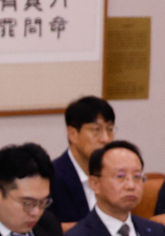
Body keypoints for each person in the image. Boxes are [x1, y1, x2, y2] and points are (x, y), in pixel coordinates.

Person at [63, 141, 165, 236]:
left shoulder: (157, 231)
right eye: (120, 176)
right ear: (94, 184)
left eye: (137, 176)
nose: (131, 185)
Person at [49, 95, 116, 223]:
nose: (106, 139)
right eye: (96, 130)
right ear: (72, 134)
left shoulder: (113, 175)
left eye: (110, 130)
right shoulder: (52, 178)